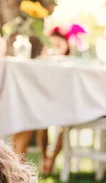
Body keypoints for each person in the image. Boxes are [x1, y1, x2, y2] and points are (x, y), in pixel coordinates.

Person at [13, 26, 70, 174]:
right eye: (52, 45)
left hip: (65, 104)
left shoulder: (69, 66)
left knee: (64, 122)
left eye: (59, 45)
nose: (55, 49)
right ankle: (43, 158)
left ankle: (50, 159)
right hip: (42, 104)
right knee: (39, 119)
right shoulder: (39, 65)